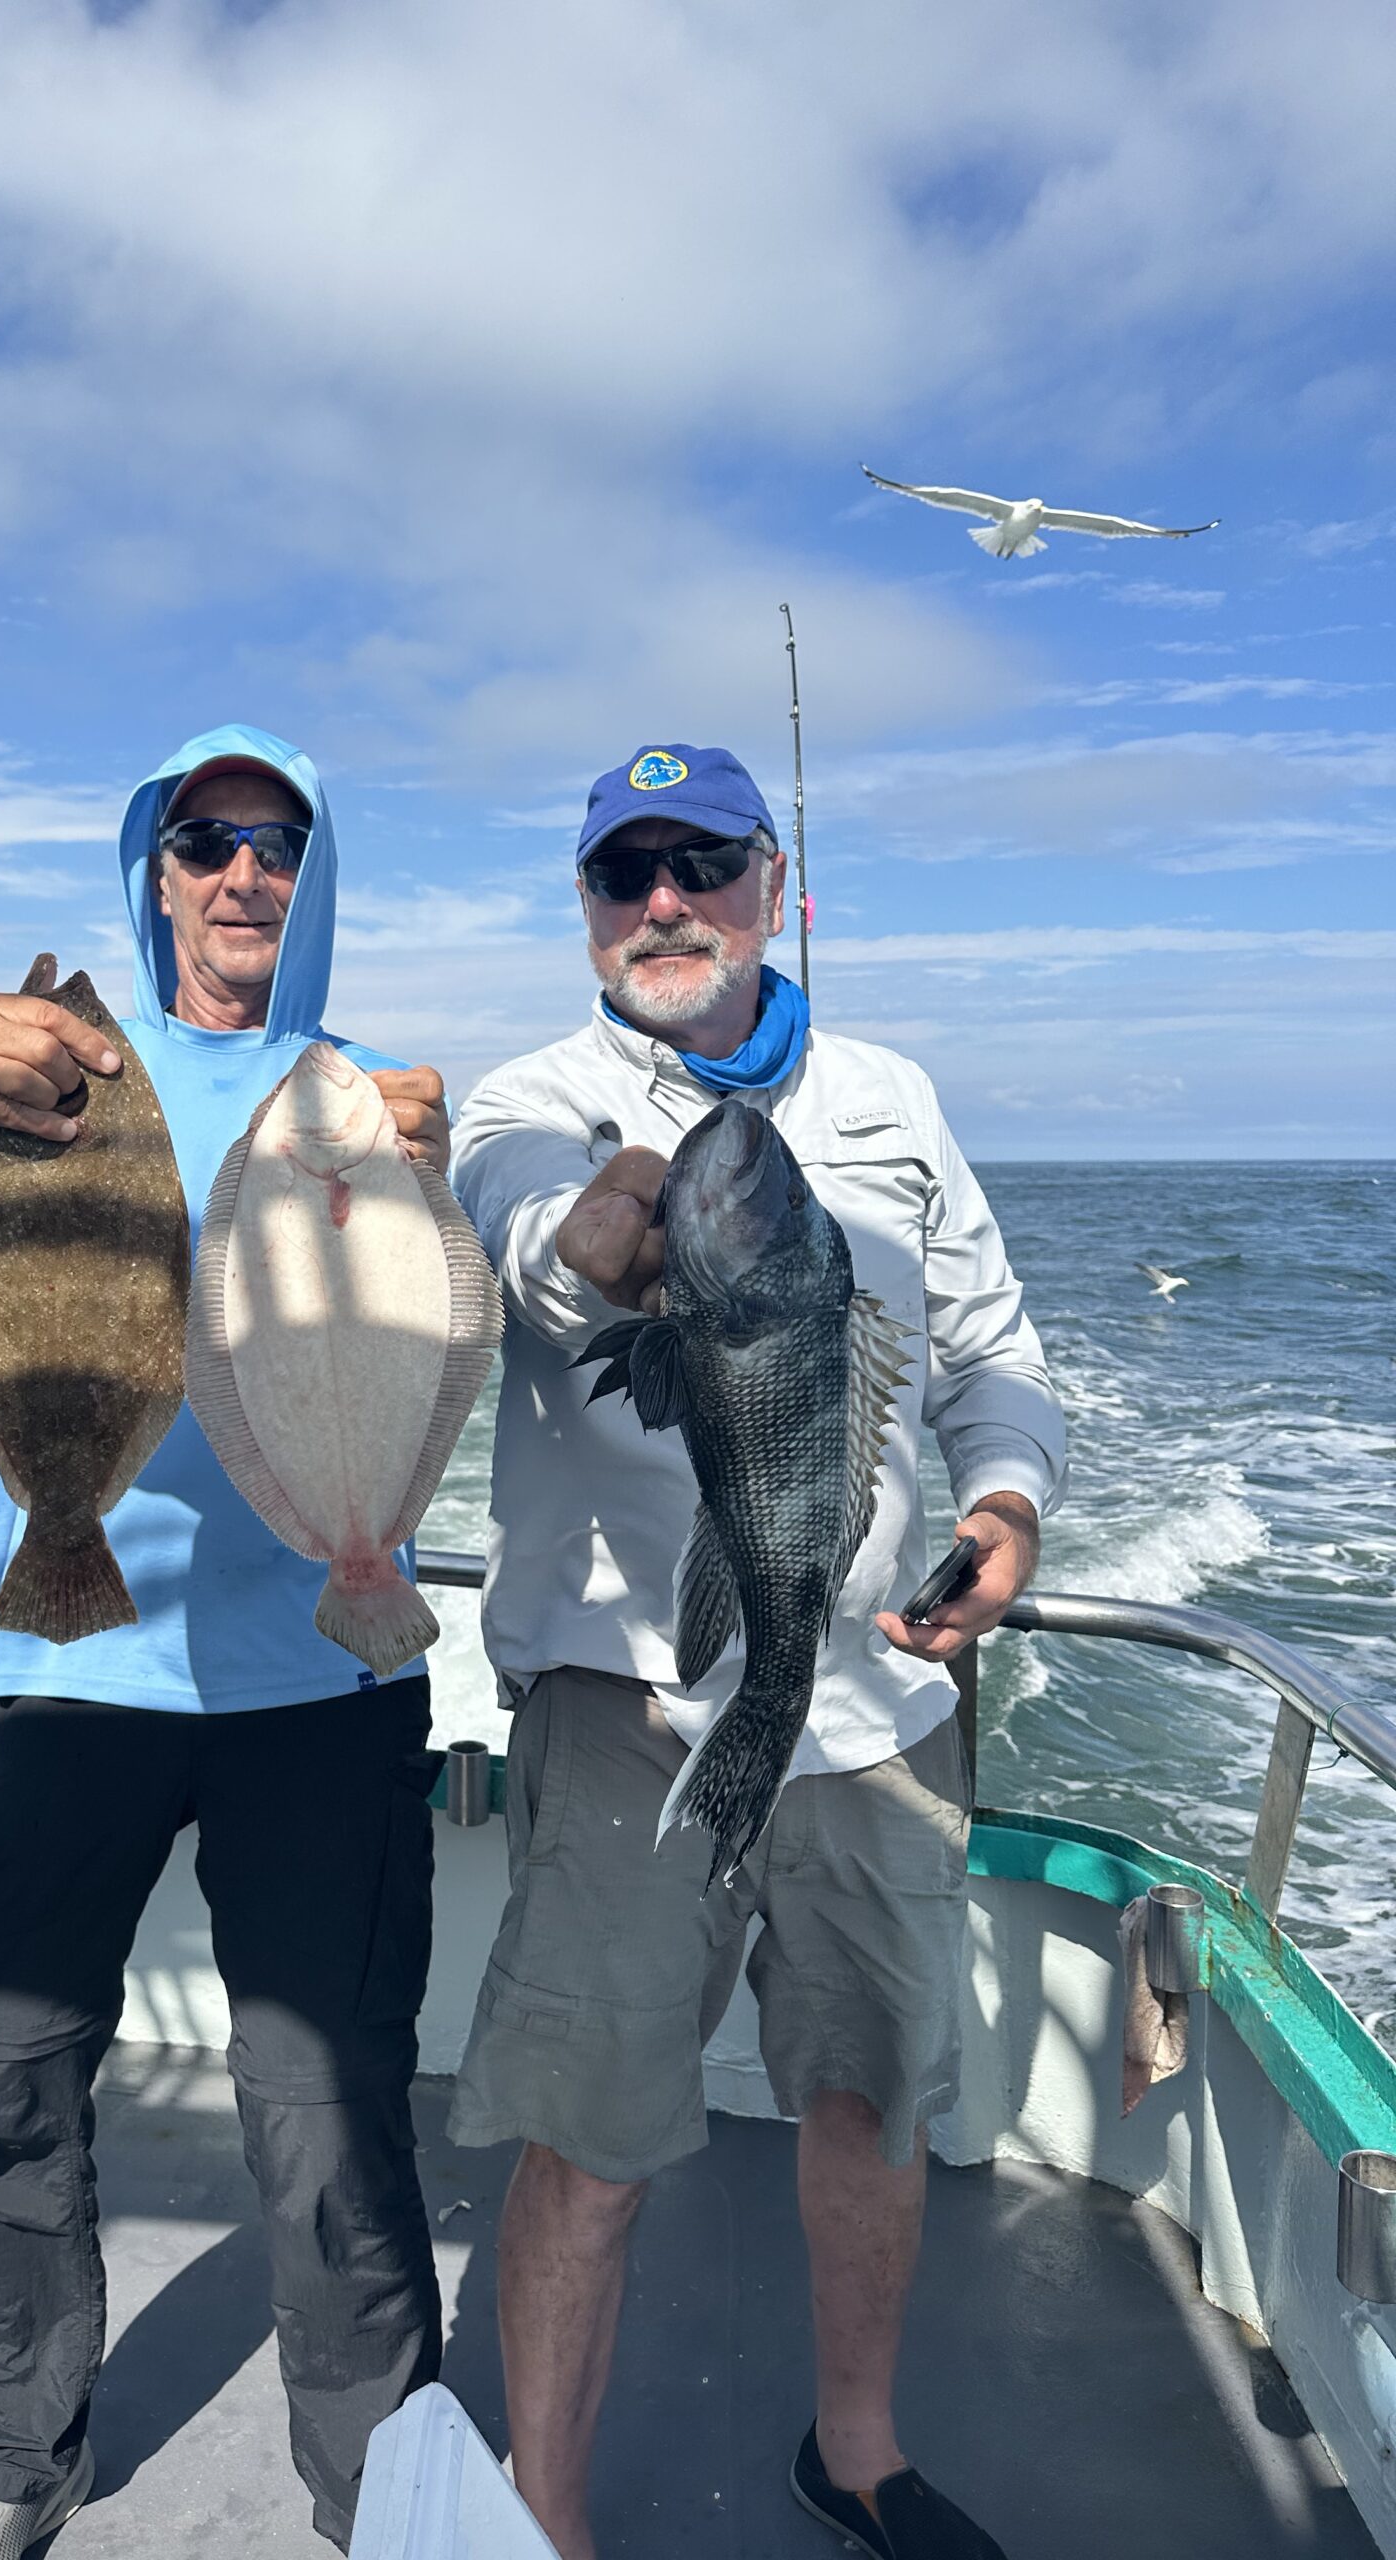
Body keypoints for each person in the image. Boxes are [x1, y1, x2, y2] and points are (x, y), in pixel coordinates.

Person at [0, 726, 452, 2560]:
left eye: (278, 845)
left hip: (324, 1675)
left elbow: (439, 1327)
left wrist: (438, 1164)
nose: (246, 872)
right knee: (2, 2090)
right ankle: (12, 2463)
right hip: (72, 1668)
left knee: (331, 2123)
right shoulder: (44, 1077)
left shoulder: (365, 1095)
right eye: (208, 839)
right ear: (153, 870)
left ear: (309, 884)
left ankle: (380, 2494)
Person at [445, 744, 1067, 2560]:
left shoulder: (894, 1097)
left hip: (875, 1693)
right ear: (585, 907)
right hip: (631, 1698)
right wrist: (601, 1240)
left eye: (701, 859)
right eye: (622, 869)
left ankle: (856, 2451)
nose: (662, 899)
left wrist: (1008, 1514)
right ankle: (542, 2519)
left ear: (772, 885)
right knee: (593, 2122)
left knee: (867, 2088)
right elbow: (536, 1247)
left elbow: (989, 1351)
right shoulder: (534, 1095)